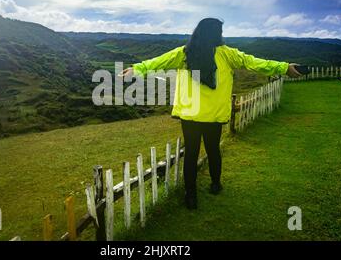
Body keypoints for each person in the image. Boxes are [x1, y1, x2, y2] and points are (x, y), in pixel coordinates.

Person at [120, 18, 302, 209]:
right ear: (217, 34)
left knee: (191, 154)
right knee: (213, 150)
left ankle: (191, 196)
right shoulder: (227, 54)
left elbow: (158, 62)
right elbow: (254, 63)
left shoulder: (184, 53)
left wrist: (136, 69)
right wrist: (284, 67)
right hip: (214, 115)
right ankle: (216, 185)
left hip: (190, 114)